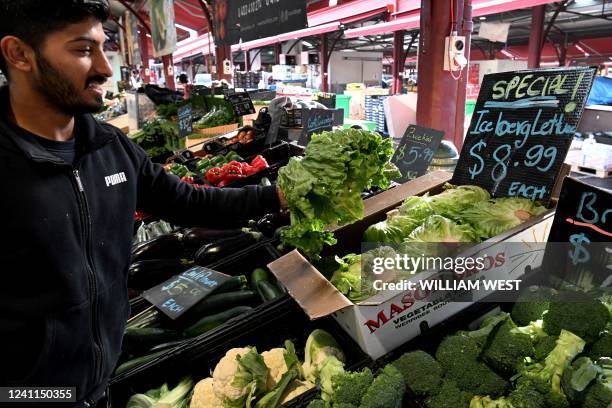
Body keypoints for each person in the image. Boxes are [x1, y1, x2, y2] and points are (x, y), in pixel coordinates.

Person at [0, 1, 286, 406]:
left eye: (102, 47)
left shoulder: (110, 147)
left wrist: (274, 195)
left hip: (102, 380)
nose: (104, 68)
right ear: (18, 54)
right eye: (83, 50)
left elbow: (189, 202)